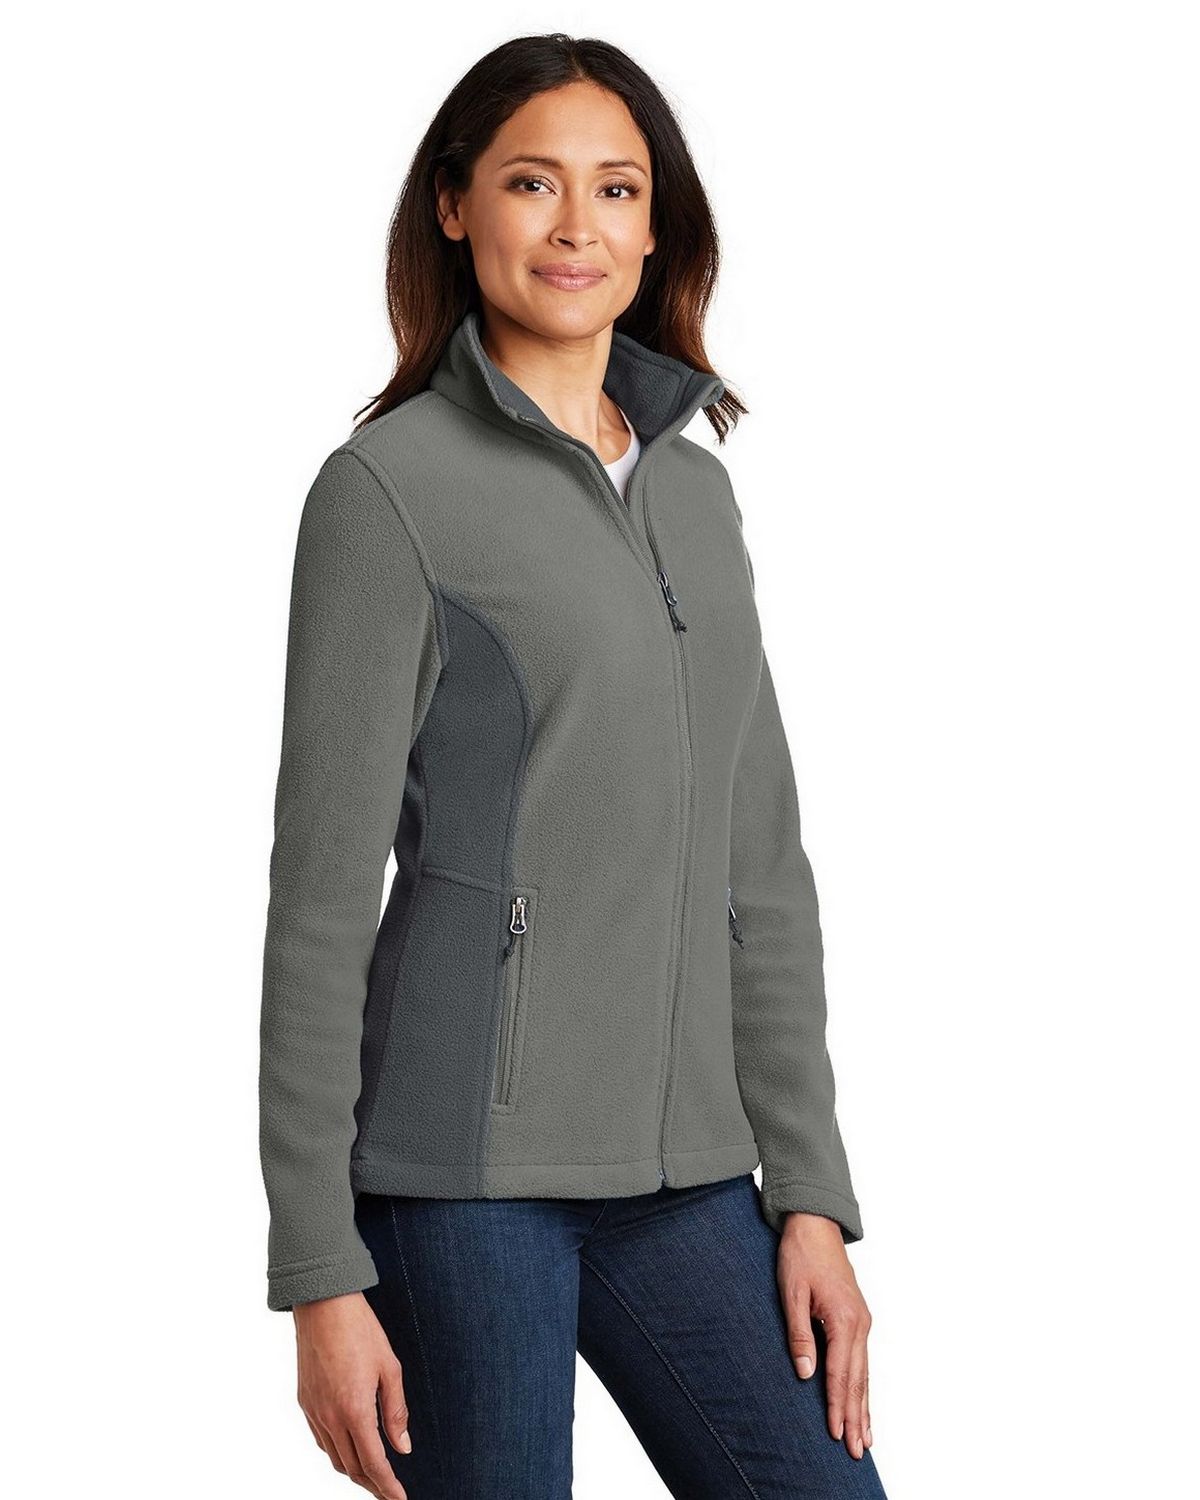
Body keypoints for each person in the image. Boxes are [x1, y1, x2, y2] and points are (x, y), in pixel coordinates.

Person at [258, 32, 888, 1500]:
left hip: (689, 1179)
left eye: (617, 189)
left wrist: (809, 1191)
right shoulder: (388, 492)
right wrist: (318, 1272)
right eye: (533, 182)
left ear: (657, 228)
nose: (576, 226)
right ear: (454, 205)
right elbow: (321, 904)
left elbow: (761, 868)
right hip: (459, 1186)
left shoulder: (694, 491)